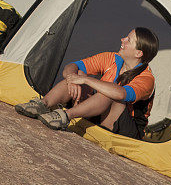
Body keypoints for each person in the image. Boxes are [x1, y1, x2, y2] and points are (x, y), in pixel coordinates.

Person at [15, 27, 159, 140]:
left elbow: (121, 94)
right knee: (78, 74)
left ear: (138, 53)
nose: (122, 40)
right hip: (99, 111)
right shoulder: (112, 58)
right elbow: (72, 66)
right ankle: (42, 104)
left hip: (126, 129)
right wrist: (72, 79)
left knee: (111, 93)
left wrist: (85, 79)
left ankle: (65, 116)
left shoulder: (146, 78)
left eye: (128, 40)